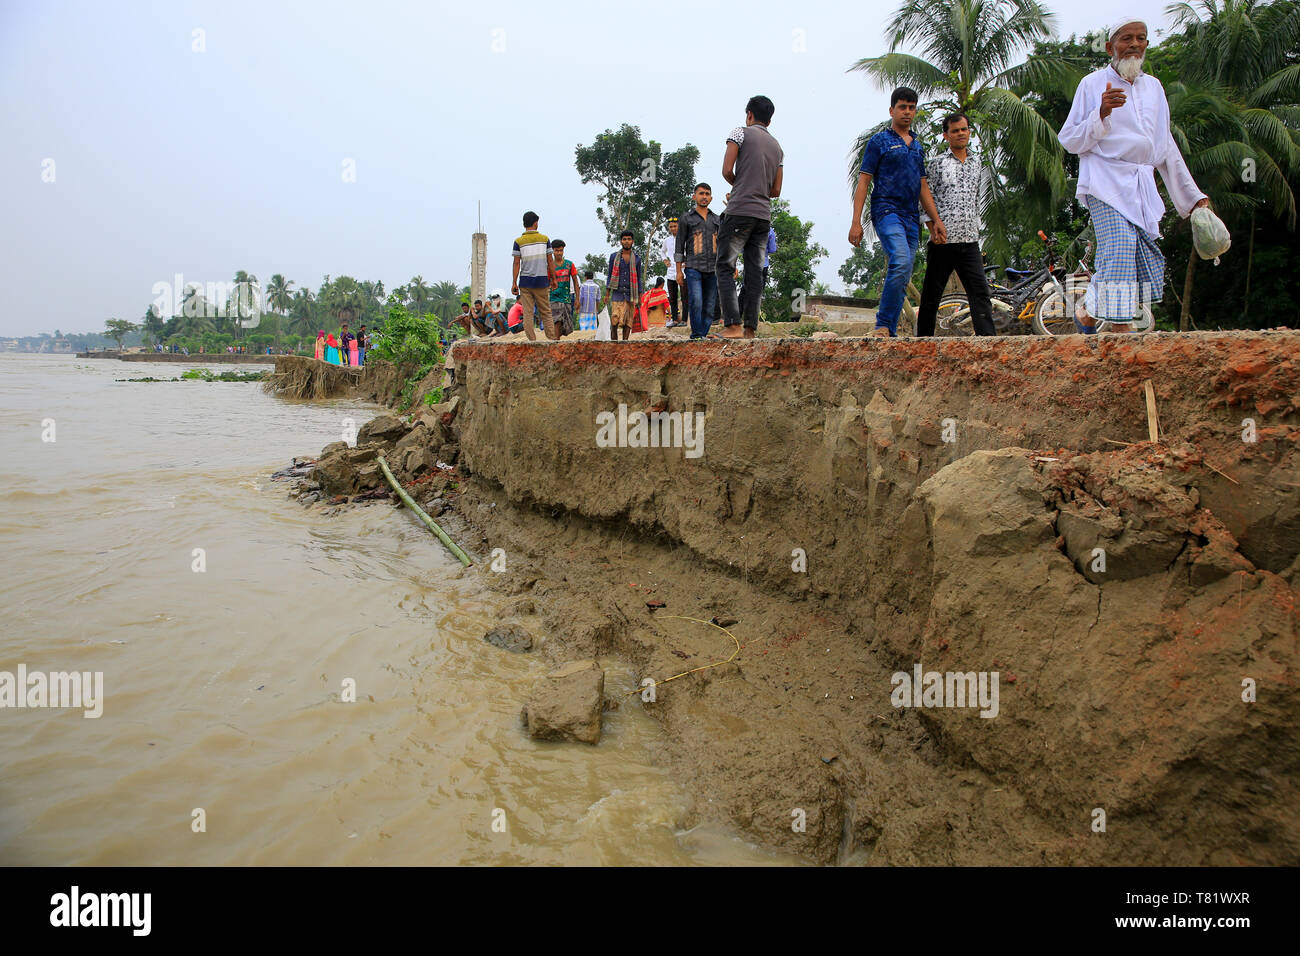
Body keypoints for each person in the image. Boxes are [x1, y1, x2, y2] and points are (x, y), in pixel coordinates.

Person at [1058, 19, 1209, 333]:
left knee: (1133, 253)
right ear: (1111, 47)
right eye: (1127, 38)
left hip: (1140, 187)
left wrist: (1194, 198)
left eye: (1141, 38)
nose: (1135, 44)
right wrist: (1100, 113)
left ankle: (1087, 312)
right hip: (1104, 180)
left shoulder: (1154, 87)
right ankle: (1120, 333)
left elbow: (1165, 146)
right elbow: (1070, 140)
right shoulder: (1092, 84)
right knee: (1121, 245)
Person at [849, 87, 947, 337]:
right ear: (892, 110)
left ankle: (888, 331)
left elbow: (923, 186)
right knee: (901, 260)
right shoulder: (880, 141)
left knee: (904, 270)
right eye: (902, 107)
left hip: (911, 217)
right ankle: (882, 325)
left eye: (911, 107)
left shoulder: (917, 146)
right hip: (886, 210)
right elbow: (863, 181)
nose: (907, 112)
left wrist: (935, 220)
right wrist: (856, 222)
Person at [916, 112, 996, 337]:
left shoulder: (977, 163)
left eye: (964, 129)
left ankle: (987, 341)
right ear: (946, 135)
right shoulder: (937, 164)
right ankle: (923, 341)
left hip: (970, 240)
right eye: (955, 131)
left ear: (969, 131)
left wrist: (978, 228)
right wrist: (932, 228)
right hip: (943, 241)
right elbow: (924, 197)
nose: (960, 134)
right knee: (932, 295)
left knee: (980, 293)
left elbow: (976, 197)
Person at [717, 95, 784, 339]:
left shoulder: (739, 133)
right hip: (763, 217)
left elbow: (726, 169)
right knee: (755, 272)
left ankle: (732, 325)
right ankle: (749, 330)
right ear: (770, 119)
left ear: (749, 115)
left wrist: (740, 186)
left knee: (725, 266)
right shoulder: (778, 148)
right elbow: (776, 191)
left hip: (739, 211)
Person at [675, 183, 722, 339]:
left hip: (713, 268)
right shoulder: (686, 218)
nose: (704, 196)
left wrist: (730, 265)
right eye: (701, 193)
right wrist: (678, 272)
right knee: (696, 301)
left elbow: (724, 245)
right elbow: (679, 245)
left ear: (711, 197)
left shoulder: (717, 219)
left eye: (707, 194)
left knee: (709, 306)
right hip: (693, 267)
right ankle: (696, 335)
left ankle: (701, 335)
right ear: (694, 196)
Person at [511, 211, 558, 341]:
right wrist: (554, 278)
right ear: (535, 223)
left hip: (525, 282)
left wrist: (514, 282)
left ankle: (532, 340)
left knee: (528, 313)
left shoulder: (518, 241)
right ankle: (551, 339)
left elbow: (516, 263)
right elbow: (550, 261)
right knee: (546, 312)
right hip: (542, 281)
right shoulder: (544, 239)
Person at [604, 230, 642, 342]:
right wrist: (607, 294)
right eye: (624, 239)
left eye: (629, 239)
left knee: (628, 320)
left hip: (631, 293)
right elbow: (610, 275)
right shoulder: (613, 257)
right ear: (621, 241)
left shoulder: (637, 258)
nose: (626, 241)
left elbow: (639, 278)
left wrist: (640, 296)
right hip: (617, 292)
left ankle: (625, 344)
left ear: (632, 241)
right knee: (614, 319)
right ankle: (614, 344)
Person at [549, 240, 580, 336]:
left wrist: (577, 299)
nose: (559, 253)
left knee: (567, 327)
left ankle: (557, 340)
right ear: (552, 251)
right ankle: (556, 342)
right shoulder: (549, 266)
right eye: (556, 251)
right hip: (554, 297)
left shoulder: (569, 265)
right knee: (557, 320)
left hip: (566, 298)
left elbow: (575, 282)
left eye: (561, 251)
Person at [663, 217, 682, 327]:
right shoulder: (667, 240)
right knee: (672, 296)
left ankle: (684, 320)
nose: (673, 228)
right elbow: (662, 252)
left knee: (685, 296)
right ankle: (674, 319)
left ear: (679, 226)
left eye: (675, 226)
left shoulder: (685, 238)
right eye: (671, 227)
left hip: (683, 270)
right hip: (671, 271)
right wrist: (665, 260)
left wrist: (687, 262)